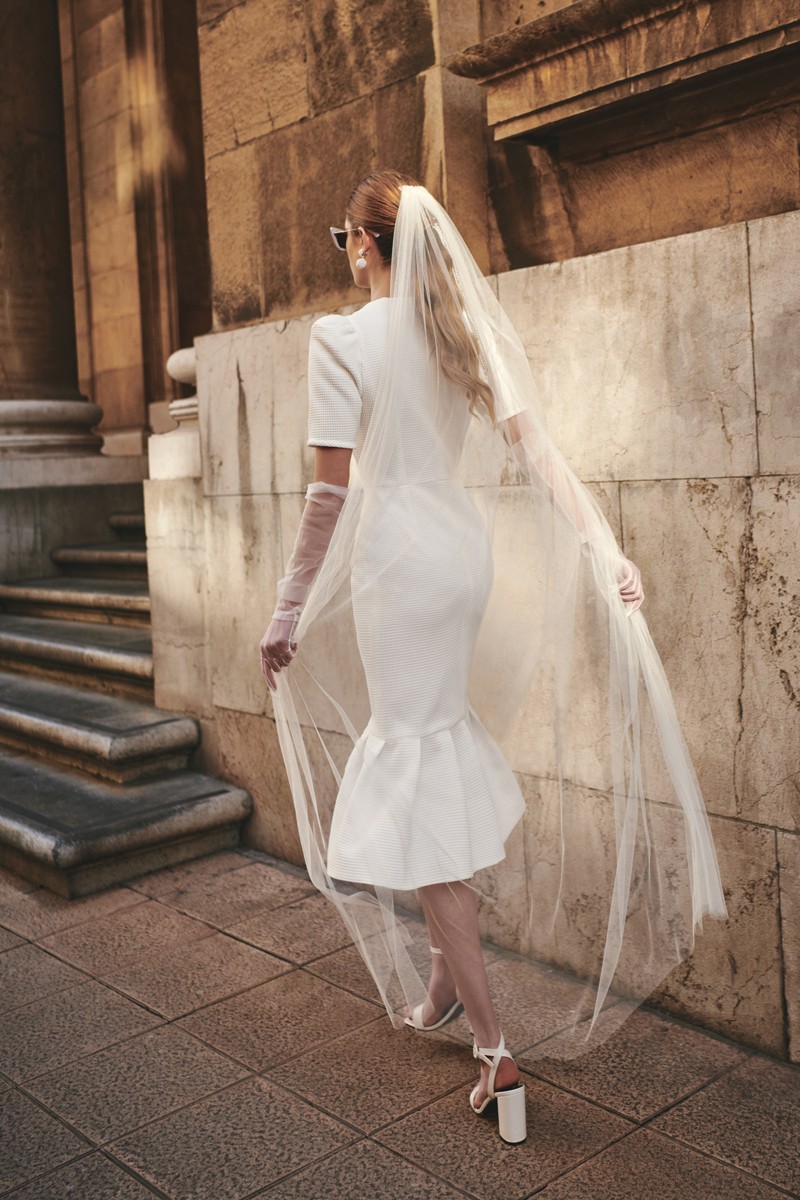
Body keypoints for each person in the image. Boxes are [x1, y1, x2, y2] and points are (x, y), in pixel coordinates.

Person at [260, 170, 727, 1145]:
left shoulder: (342, 339)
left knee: (417, 764)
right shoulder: (455, 327)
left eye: (343, 237)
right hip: (457, 559)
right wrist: (604, 546)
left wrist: (288, 603)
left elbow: (327, 495)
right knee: (434, 744)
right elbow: (539, 456)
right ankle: (439, 977)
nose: (343, 251)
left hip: (397, 566)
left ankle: (494, 1053)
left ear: (362, 244)